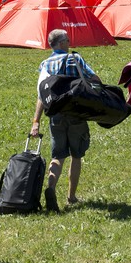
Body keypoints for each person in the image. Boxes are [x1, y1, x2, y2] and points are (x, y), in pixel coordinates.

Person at [31, 29, 100, 212]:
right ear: (61, 43)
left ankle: (51, 187)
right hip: (75, 113)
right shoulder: (74, 60)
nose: (69, 42)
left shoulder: (45, 64)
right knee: (76, 155)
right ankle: (71, 196)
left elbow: (41, 94)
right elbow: (95, 79)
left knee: (58, 156)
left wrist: (36, 121)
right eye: (67, 40)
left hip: (55, 115)